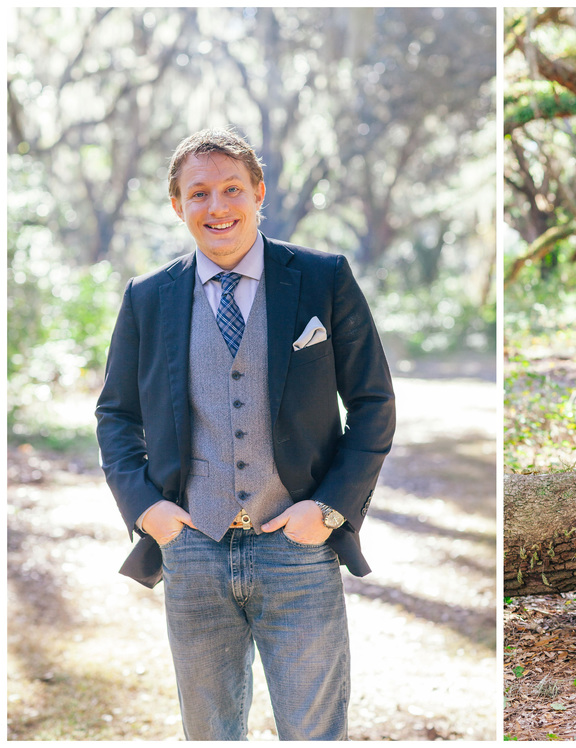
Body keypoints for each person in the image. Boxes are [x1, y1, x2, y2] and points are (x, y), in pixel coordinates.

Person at [95, 128, 395, 739]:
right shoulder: (147, 297)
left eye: (232, 189)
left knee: (315, 734)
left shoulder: (322, 278)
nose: (217, 207)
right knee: (210, 735)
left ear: (259, 192)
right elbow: (116, 415)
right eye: (198, 193)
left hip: (299, 550)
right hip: (192, 550)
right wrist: (146, 508)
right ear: (178, 206)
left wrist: (330, 509)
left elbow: (373, 404)